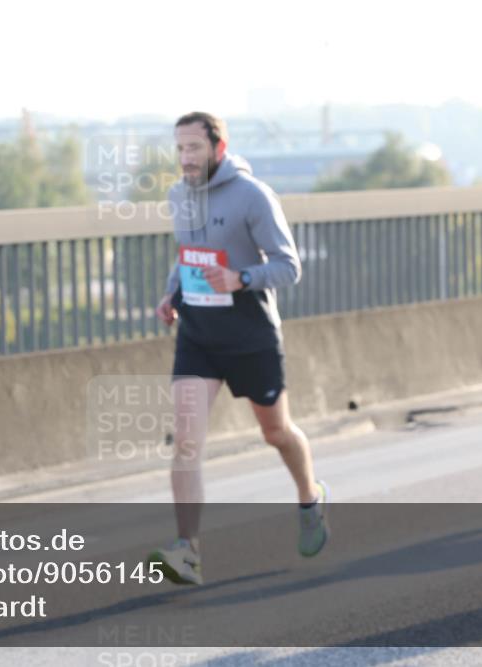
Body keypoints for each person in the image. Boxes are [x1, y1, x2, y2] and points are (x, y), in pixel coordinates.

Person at [148, 111, 328, 585]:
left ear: (218, 149)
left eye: (194, 148)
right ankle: (188, 551)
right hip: (198, 335)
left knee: (276, 432)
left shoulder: (253, 195)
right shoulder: (178, 196)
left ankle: (309, 497)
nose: (185, 158)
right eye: (180, 148)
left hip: (250, 336)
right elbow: (186, 254)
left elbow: (290, 267)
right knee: (186, 441)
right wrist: (171, 294)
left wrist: (241, 278)